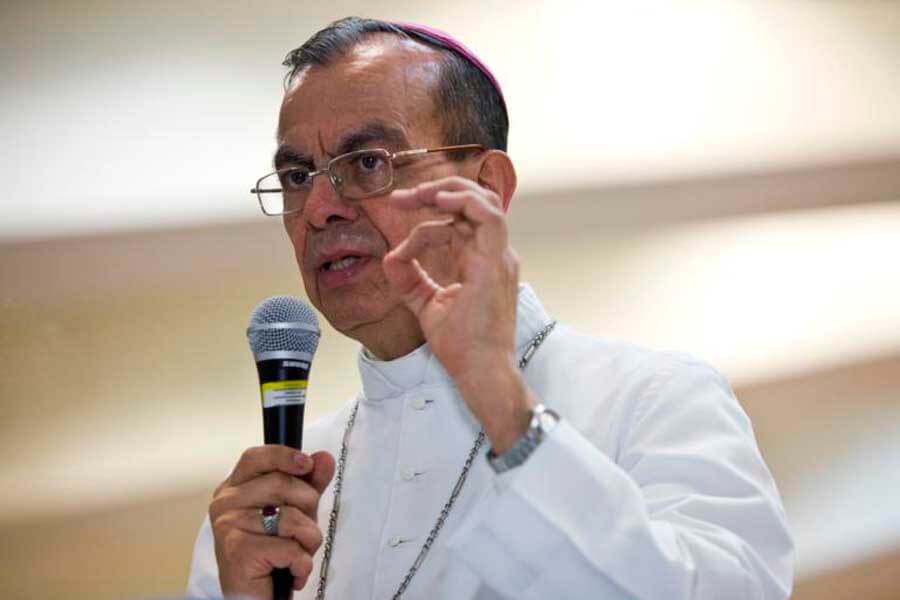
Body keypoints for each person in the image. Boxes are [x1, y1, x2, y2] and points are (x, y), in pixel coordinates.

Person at [187, 17, 793, 600]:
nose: (320, 208)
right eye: (297, 176)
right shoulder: (275, 500)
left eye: (368, 163)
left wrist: (504, 407)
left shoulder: (655, 398)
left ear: (486, 188)